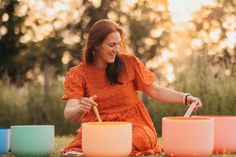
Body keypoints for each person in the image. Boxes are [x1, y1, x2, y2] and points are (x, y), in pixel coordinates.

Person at [61, 19, 202, 156]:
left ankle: (101, 149)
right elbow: (69, 114)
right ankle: (102, 147)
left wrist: (185, 98)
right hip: (100, 128)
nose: (116, 49)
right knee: (92, 141)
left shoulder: (130, 64)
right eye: (111, 45)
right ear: (96, 45)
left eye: (118, 44)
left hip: (133, 126)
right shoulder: (78, 73)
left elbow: (155, 90)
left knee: (142, 139)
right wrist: (80, 109)